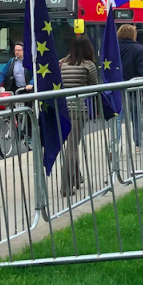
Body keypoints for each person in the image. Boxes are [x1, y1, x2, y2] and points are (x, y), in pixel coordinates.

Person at [58, 35, 98, 197]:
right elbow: (94, 88)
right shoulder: (88, 66)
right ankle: (66, 185)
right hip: (78, 109)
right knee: (73, 146)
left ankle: (77, 177)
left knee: (70, 144)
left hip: (63, 109)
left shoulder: (64, 65)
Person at [118, 24, 143, 151]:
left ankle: (114, 146)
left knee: (117, 118)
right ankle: (139, 144)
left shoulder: (113, 48)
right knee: (136, 117)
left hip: (117, 88)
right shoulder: (139, 48)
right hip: (134, 89)